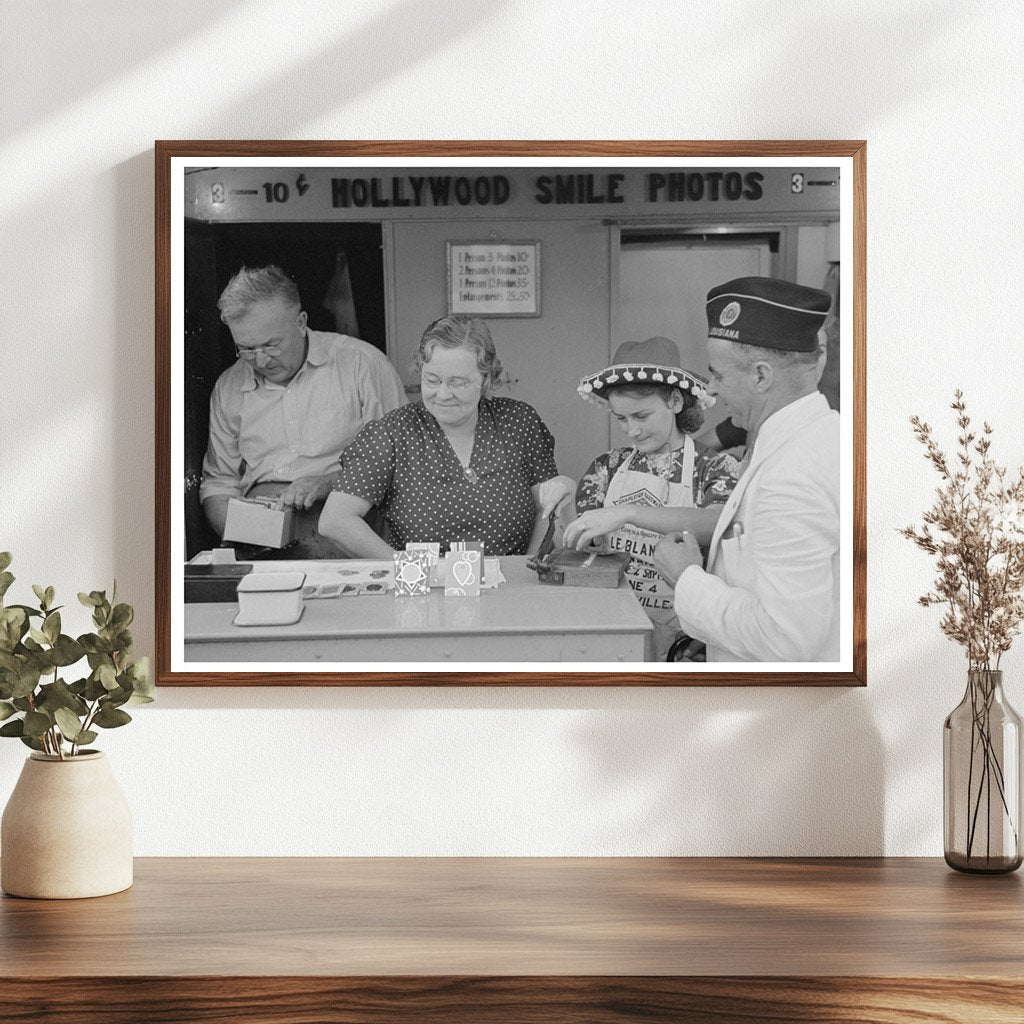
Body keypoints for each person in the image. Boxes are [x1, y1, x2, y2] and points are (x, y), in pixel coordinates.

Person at [653, 276, 840, 663]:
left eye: (718, 375)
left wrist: (687, 579)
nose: (713, 392)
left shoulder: (791, 476)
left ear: (760, 376)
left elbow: (785, 637)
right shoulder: (819, 437)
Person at [318, 314, 574, 557]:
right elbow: (335, 521)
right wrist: (406, 568)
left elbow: (548, 509)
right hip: (422, 589)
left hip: (507, 586)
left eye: (458, 382)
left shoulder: (518, 423)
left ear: (485, 378)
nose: (442, 394)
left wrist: (525, 572)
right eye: (431, 380)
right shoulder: (392, 434)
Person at [199, 265, 407, 556]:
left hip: (349, 532)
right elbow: (220, 482)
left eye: (271, 344)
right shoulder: (229, 386)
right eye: (246, 348)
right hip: (260, 541)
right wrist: (241, 533)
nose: (260, 360)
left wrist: (326, 483)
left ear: (300, 322)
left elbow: (402, 464)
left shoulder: (363, 366)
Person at [566, 337, 741, 660]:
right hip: (614, 632)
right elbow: (588, 556)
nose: (631, 431)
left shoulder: (713, 468)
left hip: (687, 640)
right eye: (621, 418)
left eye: (641, 416)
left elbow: (716, 524)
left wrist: (627, 512)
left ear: (675, 402)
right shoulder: (605, 468)